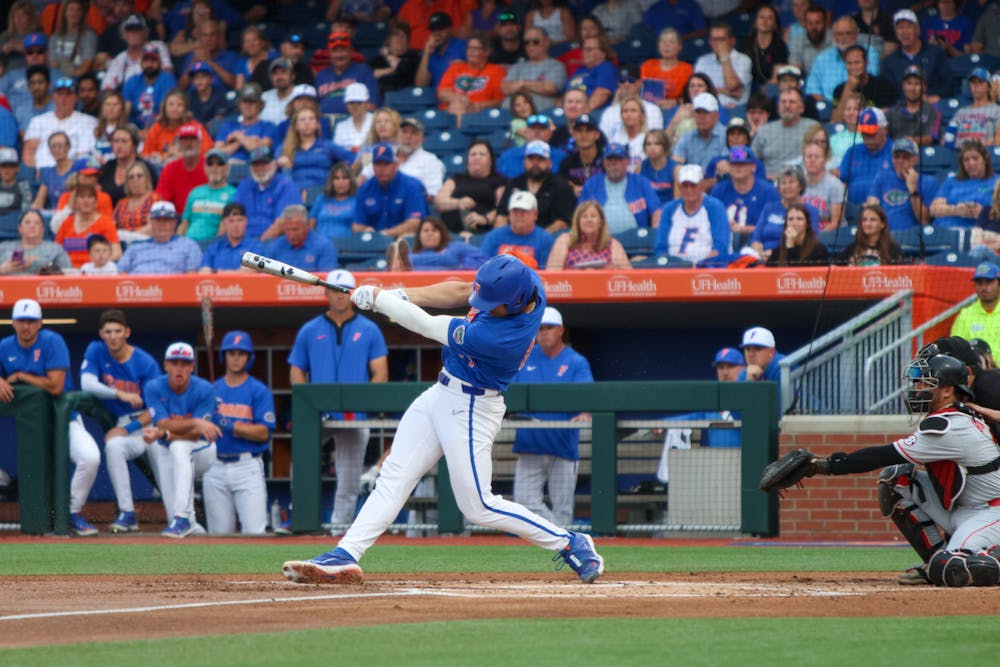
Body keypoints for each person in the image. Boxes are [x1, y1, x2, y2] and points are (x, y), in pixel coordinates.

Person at [281, 254, 606, 585]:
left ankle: (571, 542)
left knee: (479, 506)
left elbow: (428, 326)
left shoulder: (501, 337)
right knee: (394, 476)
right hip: (442, 391)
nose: (484, 305)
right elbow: (462, 290)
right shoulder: (527, 284)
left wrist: (383, 301)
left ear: (514, 302)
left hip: (471, 405)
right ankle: (346, 553)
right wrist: (402, 295)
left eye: (492, 303)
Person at [792, 353, 1000, 587]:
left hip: (991, 513)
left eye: (926, 383)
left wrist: (822, 466)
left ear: (947, 390)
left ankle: (975, 557)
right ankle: (933, 562)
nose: (917, 388)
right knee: (898, 479)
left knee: (955, 566)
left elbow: (881, 455)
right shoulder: (956, 415)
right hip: (965, 508)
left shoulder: (950, 426)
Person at [288, 269, 388, 534]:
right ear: (326, 291)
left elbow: (380, 373)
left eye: (345, 290)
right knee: (300, 465)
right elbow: (297, 369)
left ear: (353, 294)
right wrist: (307, 402)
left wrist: (365, 403)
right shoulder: (310, 329)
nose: (340, 295)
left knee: (350, 478)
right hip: (318, 415)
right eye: (334, 289)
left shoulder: (369, 329)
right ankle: (299, 521)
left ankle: (339, 530)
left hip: (355, 416)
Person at [0, 299, 98, 535]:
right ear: (13, 322)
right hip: (32, 424)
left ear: (40, 323)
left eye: (31, 321)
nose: (26, 326)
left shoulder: (52, 341)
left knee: (90, 458)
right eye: (21, 321)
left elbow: (55, 386)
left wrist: (22, 376)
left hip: (63, 418)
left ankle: (71, 512)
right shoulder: (4, 346)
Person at [79, 309, 160, 533]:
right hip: (125, 424)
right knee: (113, 447)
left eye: (117, 331)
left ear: (127, 333)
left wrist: (128, 429)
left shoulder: (145, 362)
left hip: (147, 424)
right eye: (108, 332)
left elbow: (156, 410)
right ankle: (128, 513)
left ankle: (183, 515)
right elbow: (86, 383)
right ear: (101, 334)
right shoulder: (96, 350)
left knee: (165, 469)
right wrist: (119, 394)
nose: (113, 336)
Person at [511, 306, 593, 527]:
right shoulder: (525, 358)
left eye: (549, 328)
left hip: (563, 446)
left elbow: (589, 398)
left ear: (560, 331)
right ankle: (561, 536)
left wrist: (585, 413)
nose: (543, 332)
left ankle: (561, 541)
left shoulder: (576, 361)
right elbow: (509, 395)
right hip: (530, 445)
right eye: (540, 328)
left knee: (563, 507)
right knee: (524, 501)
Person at [142, 341, 221, 537]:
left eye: (185, 363)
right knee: (176, 522)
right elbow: (162, 424)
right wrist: (193, 421)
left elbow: (196, 434)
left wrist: (169, 433)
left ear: (192, 366)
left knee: (179, 447)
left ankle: (183, 517)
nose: (179, 368)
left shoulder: (204, 389)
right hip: (166, 448)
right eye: (175, 362)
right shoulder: (153, 387)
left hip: (202, 448)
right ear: (166, 365)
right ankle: (187, 523)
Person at [203, 331, 275, 535]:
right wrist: (207, 420)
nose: (235, 357)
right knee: (218, 535)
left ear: (248, 357)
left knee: (255, 533)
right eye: (231, 352)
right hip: (214, 466)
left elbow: (263, 433)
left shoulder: (258, 390)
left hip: (247, 467)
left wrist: (228, 424)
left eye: (241, 353)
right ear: (224, 356)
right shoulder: (210, 390)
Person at [579, 143, 661, 234]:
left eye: (618, 160)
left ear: (627, 161)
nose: (613, 164)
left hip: (636, 242)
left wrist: (655, 237)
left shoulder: (641, 183)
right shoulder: (591, 184)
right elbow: (579, 214)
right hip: (600, 243)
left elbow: (656, 212)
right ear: (604, 162)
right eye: (609, 160)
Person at [654, 164, 730, 263]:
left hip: (707, 267)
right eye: (685, 186)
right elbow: (660, 247)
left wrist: (698, 266)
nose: (689, 190)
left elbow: (721, 247)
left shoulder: (715, 207)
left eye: (693, 185)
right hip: (674, 268)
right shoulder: (669, 209)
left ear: (702, 185)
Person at [496, 141, 576, 233]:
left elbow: (562, 222)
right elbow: (501, 216)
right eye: (531, 159)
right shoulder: (514, 183)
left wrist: (538, 239)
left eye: (540, 159)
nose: (535, 163)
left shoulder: (561, 186)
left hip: (548, 239)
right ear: (524, 162)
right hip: (514, 238)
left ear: (550, 163)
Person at [709, 145, 780, 250]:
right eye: (734, 164)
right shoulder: (719, 190)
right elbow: (708, 222)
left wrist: (745, 230)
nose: (738, 168)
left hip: (758, 245)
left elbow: (774, 227)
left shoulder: (768, 192)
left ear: (753, 167)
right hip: (724, 245)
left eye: (743, 164)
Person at [359, 116, 446, 200]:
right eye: (404, 132)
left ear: (422, 139)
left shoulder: (431, 161)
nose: (408, 136)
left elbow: (431, 195)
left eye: (414, 133)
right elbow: (363, 178)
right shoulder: (385, 152)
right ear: (398, 135)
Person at [353, 142, 427, 238]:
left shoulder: (412, 186)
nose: (381, 169)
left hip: (404, 242)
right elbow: (357, 225)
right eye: (377, 164)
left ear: (395, 165)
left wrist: (385, 234)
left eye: (386, 164)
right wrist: (364, 230)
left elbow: (415, 223)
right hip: (374, 242)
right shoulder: (365, 189)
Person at [805, 18, 884, 105]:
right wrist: (829, 107)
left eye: (848, 33)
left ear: (856, 34)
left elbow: (870, 80)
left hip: (863, 105)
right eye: (840, 34)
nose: (844, 38)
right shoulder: (822, 58)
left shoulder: (869, 52)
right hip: (829, 108)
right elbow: (813, 90)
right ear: (834, 36)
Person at [23, 76, 97, 169]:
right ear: (53, 97)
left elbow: (89, 154)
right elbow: (28, 153)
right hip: (43, 174)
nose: (64, 98)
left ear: (76, 98)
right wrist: (35, 173)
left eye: (68, 94)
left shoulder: (90, 122)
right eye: (60, 94)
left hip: (74, 175)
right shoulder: (38, 121)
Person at [434, 140, 507, 234]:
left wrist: (485, 219)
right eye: (473, 154)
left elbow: (502, 209)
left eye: (482, 154)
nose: (477, 157)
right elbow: (439, 201)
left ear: (491, 160)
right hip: (450, 232)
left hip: (482, 230)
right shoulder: (456, 178)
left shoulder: (500, 181)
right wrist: (459, 203)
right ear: (467, 160)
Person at [233, 145, 302, 241]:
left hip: (272, 242)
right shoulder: (244, 185)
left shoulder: (286, 186)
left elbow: (282, 222)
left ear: (274, 164)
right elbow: (232, 217)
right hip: (243, 242)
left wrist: (258, 245)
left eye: (264, 164)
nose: (260, 168)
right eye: (256, 164)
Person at [750, 166, 820, 260]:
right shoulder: (769, 208)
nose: (787, 186)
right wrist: (760, 253)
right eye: (783, 183)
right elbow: (756, 237)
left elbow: (811, 239)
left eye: (791, 182)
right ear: (778, 188)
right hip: (763, 256)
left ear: (800, 186)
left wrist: (774, 254)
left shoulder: (810, 210)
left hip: (793, 256)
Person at [867, 137, 936, 232]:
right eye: (897, 156)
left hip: (912, 236)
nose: (900, 161)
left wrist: (913, 190)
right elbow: (871, 211)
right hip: (885, 235)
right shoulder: (882, 178)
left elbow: (924, 220)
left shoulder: (928, 182)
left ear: (915, 159)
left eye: (905, 157)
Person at [275, 106, 353, 190]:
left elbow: (352, 158)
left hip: (322, 191)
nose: (307, 122)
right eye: (302, 120)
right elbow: (267, 166)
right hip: (294, 192)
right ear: (296, 126)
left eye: (311, 119)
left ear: (317, 124)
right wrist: (277, 163)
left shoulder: (327, 145)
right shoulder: (284, 147)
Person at [117, 200, 203, 274]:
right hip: (138, 290)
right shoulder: (135, 247)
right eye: (158, 220)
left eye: (166, 220)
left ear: (174, 222)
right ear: (150, 222)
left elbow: (192, 278)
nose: (162, 224)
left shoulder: (189, 245)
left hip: (173, 290)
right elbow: (121, 274)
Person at [751, 88, 820, 180]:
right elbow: (750, 160)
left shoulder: (813, 128)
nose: (787, 106)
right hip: (770, 183)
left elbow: (823, 158)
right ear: (778, 106)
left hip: (804, 183)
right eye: (783, 102)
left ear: (802, 108)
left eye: (792, 102)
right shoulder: (765, 130)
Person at [930, 140, 999, 229]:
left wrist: (983, 213)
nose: (971, 163)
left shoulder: (997, 181)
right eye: (966, 160)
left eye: (975, 158)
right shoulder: (951, 181)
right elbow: (933, 210)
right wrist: (956, 210)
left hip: (980, 231)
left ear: (985, 159)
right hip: (947, 229)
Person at [546, 200, 632, 270]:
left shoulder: (613, 244)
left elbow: (629, 275)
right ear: (578, 222)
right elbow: (552, 274)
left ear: (601, 221)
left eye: (593, 216)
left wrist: (613, 269)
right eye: (584, 216)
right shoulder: (564, 240)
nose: (589, 220)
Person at [436, 32, 506, 118]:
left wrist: (476, 106)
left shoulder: (496, 71)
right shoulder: (456, 67)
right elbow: (442, 93)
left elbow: (499, 101)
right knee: (457, 107)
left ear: (487, 52)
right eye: (469, 48)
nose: (471, 51)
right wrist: (460, 100)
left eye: (475, 48)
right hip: (449, 111)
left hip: (479, 114)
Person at [501, 26, 567, 112]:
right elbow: (505, 88)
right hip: (509, 113)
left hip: (540, 115)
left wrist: (522, 84)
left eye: (535, 42)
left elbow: (550, 88)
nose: (530, 45)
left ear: (546, 42)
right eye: (527, 42)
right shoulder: (518, 66)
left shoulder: (556, 66)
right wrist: (536, 86)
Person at [100, 14, 171, 93]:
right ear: (124, 35)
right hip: (128, 100)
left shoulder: (158, 47)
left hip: (157, 94)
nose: (134, 33)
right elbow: (107, 87)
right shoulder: (120, 58)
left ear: (145, 32)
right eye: (130, 30)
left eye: (138, 29)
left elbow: (168, 74)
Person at [56, 183, 122, 268]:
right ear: (75, 202)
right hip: (68, 271)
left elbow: (117, 252)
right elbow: (56, 251)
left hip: (94, 272)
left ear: (96, 202)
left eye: (90, 197)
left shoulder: (106, 223)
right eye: (82, 197)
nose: (86, 201)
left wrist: (100, 264)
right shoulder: (66, 222)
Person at [316, 30, 381, 116]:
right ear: (329, 53)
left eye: (343, 50)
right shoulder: (321, 75)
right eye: (335, 51)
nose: (339, 55)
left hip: (355, 121)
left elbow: (373, 105)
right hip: (326, 123)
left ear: (351, 51)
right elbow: (314, 107)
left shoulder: (364, 71)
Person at [141, 90, 213, 165]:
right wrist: (160, 156)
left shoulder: (195, 127)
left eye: (179, 105)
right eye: (171, 104)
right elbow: (145, 155)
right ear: (164, 107)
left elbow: (207, 152)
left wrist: (181, 155)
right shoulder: (156, 128)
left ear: (185, 109)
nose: (175, 108)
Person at [386, 216, 486, 270]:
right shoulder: (410, 253)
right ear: (419, 235)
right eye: (425, 231)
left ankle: (403, 266)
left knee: (409, 261)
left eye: (434, 231)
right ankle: (399, 266)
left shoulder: (455, 247)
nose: (430, 234)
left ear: (442, 234)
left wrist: (463, 266)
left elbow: (484, 258)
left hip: (449, 283)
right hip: (417, 285)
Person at [178, 148, 235, 243]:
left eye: (220, 163)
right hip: (188, 243)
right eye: (210, 163)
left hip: (211, 244)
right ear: (205, 168)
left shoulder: (233, 194)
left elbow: (224, 230)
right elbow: (185, 223)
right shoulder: (195, 192)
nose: (214, 167)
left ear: (227, 168)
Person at [840, 107, 893, 206]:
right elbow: (842, 180)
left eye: (871, 132)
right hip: (854, 210)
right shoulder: (852, 151)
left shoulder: (896, 153)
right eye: (864, 132)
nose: (867, 137)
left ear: (885, 129)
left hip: (885, 210)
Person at [154, 121, 208, 215]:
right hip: (175, 218)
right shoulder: (170, 168)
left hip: (204, 215)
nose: (188, 143)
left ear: (200, 142)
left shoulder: (209, 166)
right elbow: (162, 200)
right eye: (184, 139)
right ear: (178, 143)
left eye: (192, 139)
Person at [694, 22, 752, 109]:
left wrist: (725, 58)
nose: (717, 44)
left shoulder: (744, 60)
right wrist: (725, 91)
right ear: (710, 42)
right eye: (714, 40)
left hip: (736, 109)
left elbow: (732, 86)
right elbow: (697, 91)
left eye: (721, 40)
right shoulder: (702, 62)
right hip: (707, 110)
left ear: (732, 41)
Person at [265, 204, 338, 272]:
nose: (291, 234)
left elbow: (326, 278)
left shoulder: (324, 246)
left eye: (295, 229)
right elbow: (265, 276)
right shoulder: (275, 246)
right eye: (287, 229)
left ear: (307, 226)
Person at [214, 83, 276, 163]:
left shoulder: (269, 126)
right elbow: (218, 154)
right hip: (228, 168)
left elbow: (259, 151)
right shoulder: (228, 126)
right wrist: (241, 142)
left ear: (260, 105)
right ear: (239, 104)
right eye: (245, 101)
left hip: (255, 168)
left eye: (252, 102)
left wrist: (238, 136)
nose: (248, 105)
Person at [121, 44, 178, 130]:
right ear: (141, 63)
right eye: (146, 60)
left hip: (160, 125)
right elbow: (125, 111)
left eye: (154, 60)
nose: (150, 64)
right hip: (135, 128)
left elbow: (165, 111)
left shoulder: (167, 79)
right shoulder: (132, 81)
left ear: (160, 63)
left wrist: (149, 130)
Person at [0, 209, 72, 276]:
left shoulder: (56, 250)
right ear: (20, 228)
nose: (32, 226)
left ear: (42, 228)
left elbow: (69, 273)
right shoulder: (3, 248)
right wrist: (1, 270)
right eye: (27, 222)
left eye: (36, 223)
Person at [176, 19, 239, 93]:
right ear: (199, 38)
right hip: (194, 101)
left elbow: (235, 85)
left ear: (219, 37)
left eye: (213, 35)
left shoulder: (231, 57)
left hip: (221, 102)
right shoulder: (191, 57)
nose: (209, 39)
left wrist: (210, 62)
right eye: (205, 35)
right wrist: (193, 61)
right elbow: (180, 87)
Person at [639, 28, 693, 115]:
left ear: (680, 47)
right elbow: (640, 91)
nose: (666, 45)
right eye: (663, 42)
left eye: (671, 42)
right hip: (648, 109)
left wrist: (675, 102)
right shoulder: (647, 65)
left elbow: (691, 97)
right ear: (658, 45)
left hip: (676, 109)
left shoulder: (687, 69)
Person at [200, 201, 265, 272]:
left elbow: (252, 271)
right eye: (231, 221)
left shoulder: (256, 247)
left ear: (246, 221)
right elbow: (204, 271)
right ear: (224, 223)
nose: (236, 225)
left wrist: (219, 273)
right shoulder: (214, 248)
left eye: (240, 220)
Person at [99, 124, 155, 206]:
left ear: (134, 145)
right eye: (116, 141)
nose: (119, 146)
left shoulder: (146, 168)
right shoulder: (107, 168)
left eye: (124, 141)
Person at [950, 262, 1000, 354]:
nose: (984, 287)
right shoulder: (965, 315)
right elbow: (955, 350)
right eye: (979, 283)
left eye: (989, 282)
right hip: (976, 368)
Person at [671, 92, 727, 172]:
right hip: (690, 182)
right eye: (698, 113)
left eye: (706, 113)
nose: (701, 117)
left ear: (716, 115)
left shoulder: (728, 136)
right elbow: (676, 164)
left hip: (720, 181)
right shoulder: (686, 137)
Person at [885, 66, 941, 146]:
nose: (912, 88)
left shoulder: (932, 109)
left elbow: (932, 137)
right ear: (903, 86)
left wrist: (912, 141)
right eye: (909, 83)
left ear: (925, 87)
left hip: (922, 153)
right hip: (896, 154)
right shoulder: (892, 112)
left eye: (917, 84)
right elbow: (884, 138)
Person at [945, 68, 1000, 148]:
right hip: (960, 153)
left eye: (980, 82)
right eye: (973, 82)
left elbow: (998, 141)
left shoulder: (997, 110)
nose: (976, 86)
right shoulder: (961, 111)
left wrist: (976, 145)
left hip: (984, 153)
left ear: (989, 86)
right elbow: (948, 139)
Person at [738, 326, 786, 415]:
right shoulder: (745, 374)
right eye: (748, 349)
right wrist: (749, 382)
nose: (751, 354)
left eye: (757, 349)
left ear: (771, 352)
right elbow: (737, 415)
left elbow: (781, 413)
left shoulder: (784, 368)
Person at [563, 34, 617, 111]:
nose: (585, 52)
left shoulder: (606, 67)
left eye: (589, 49)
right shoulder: (580, 70)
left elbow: (602, 92)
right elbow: (564, 93)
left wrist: (584, 112)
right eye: (584, 49)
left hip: (590, 113)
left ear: (603, 53)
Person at [838, 203, 904, 266]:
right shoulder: (851, 250)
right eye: (864, 220)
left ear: (882, 224)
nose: (868, 224)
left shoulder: (893, 250)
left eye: (873, 220)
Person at [802, 137, 846, 231]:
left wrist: (815, 238)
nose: (812, 160)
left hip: (829, 235)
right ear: (804, 160)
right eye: (809, 156)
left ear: (825, 160)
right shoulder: (799, 184)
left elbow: (836, 222)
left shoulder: (835, 185)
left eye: (817, 157)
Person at [414, 12, 467, 89]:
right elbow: (421, 85)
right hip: (433, 97)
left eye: (441, 29)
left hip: (455, 96)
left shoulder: (462, 46)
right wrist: (426, 54)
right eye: (434, 30)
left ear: (450, 29)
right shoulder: (430, 51)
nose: (437, 34)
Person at [112, 160, 160, 242]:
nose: (135, 180)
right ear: (127, 182)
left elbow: (154, 226)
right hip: (123, 243)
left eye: (139, 176)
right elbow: (112, 226)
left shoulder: (154, 199)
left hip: (146, 242)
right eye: (131, 177)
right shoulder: (121, 203)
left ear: (147, 179)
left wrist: (130, 236)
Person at [742, 5, 788, 90]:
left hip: (771, 87)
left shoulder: (779, 46)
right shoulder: (745, 44)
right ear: (755, 22)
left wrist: (767, 88)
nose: (765, 21)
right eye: (761, 17)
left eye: (769, 18)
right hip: (747, 87)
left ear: (775, 25)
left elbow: (776, 77)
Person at [310, 163, 359, 242]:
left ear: (351, 181)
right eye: (336, 178)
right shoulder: (321, 199)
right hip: (321, 245)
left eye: (345, 178)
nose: (341, 182)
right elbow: (311, 225)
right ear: (331, 181)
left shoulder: (357, 201)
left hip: (346, 247)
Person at [369, 21, 420, 95]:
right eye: (395, 35)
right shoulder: (377, 60)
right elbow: (371, 76)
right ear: (389, 39)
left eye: (403, 36)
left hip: (407, 97)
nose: (399, 40)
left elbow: (405, 70)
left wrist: (388, 57)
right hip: (382, 97)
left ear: (408, 40)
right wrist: (391, 69)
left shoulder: (414, 58)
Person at [33, 132, 74, 211]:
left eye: (60, 145)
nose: (56, 149)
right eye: (53, 146)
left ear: (68, 147)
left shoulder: (76, 169)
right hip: (52, 215)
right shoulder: (48, 172)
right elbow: (39, 201)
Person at [187, 59, 233, 127]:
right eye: (196, 77)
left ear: (211, 79)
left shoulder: (219, 96)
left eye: (203, 76)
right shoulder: (190, 96)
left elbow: (217, 121)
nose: (199, 80)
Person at [333, 82, 373, 152]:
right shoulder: (341, 127)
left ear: (367, 103)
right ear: (346, 105)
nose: (355, 106)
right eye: (351, 103)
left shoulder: (377, 121)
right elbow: (337, 152)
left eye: (359, 102)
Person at [260, 58, 298, 126]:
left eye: (283, 72)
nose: (279, 77)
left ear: (292, 76)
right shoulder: (264, 97)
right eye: (275, 73)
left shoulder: (300, 95)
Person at [0, 147, 33, 216]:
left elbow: (25, 213)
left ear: (17, 168)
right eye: (3, 166)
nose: (7, 170)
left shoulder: (24, 187)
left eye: (11, 166)